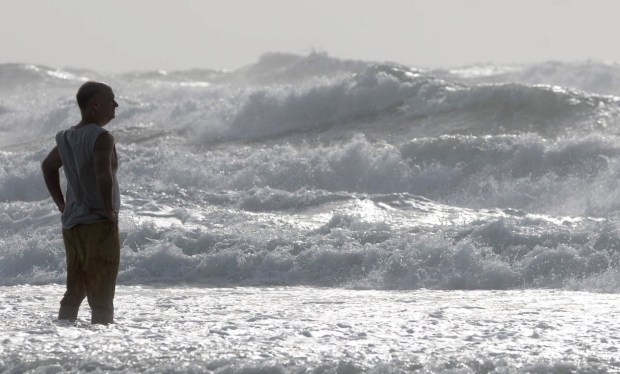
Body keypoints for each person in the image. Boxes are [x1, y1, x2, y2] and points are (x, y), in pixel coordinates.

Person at [41, 81, 120, 325]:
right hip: (97, 223)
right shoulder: (102, 137)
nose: (115, 104)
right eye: (110, 99)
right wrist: (108, 211)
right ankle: (101, 352)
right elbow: (102, 174)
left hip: (72, 225)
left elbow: (48, 166)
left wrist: (62, 205)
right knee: (102, 294)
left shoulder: (67, 137)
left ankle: (64, 341)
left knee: (75, 290)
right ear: (94, 104)